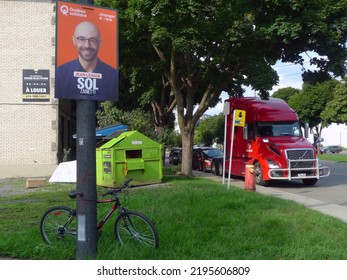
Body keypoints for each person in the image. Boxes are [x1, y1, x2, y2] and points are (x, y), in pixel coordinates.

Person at [55, 21, 118, 101]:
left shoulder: (113, 76)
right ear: (74, 40)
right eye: (82, 39)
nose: (87, 45)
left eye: (92, 40)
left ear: (100, 42)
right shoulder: (60, 74)